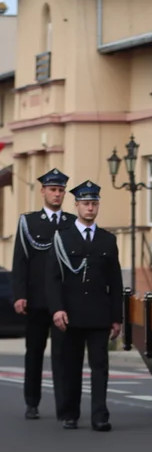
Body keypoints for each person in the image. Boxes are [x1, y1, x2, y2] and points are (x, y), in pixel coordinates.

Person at [47, 180, 123, 432]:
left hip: (99, 315)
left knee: (100, 367)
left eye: (94, 203)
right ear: (76, 205)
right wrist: (57, 308)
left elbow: (115, 281)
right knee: (71, 366)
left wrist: (117, 317)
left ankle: (100, 416)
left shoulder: (107, 240)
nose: (90, 208)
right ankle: (70, 413)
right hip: (70, 314)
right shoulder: (62, 238)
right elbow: (53, 278)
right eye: (86, 204)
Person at [11, 168, 74, 421]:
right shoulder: (29, 222)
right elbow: (20, 261)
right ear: (43, 192)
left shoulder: (72, 223)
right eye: (53, 190)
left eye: (60, 191)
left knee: (62, 355)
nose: (57, 194)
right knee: (34, 352)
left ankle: (63, 406)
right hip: (36, 299)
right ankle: (32, 402)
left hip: (62, 301)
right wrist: (19, 294)